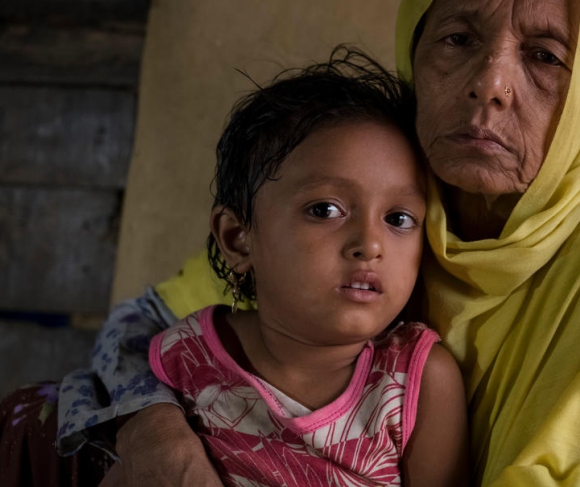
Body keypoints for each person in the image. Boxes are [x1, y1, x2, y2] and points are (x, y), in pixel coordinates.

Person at [0, 0, 580, 485]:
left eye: (544, 57)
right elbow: (145, 326)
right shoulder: (390, 185)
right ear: (416, 55)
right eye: (458, 39)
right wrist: (155, 430)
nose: (491, 84)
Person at [101, 51, 469, 486]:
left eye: (399, 219)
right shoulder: (188, 355)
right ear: (239, 238)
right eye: (325, 209)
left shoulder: (418, 384)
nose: (370, 244)